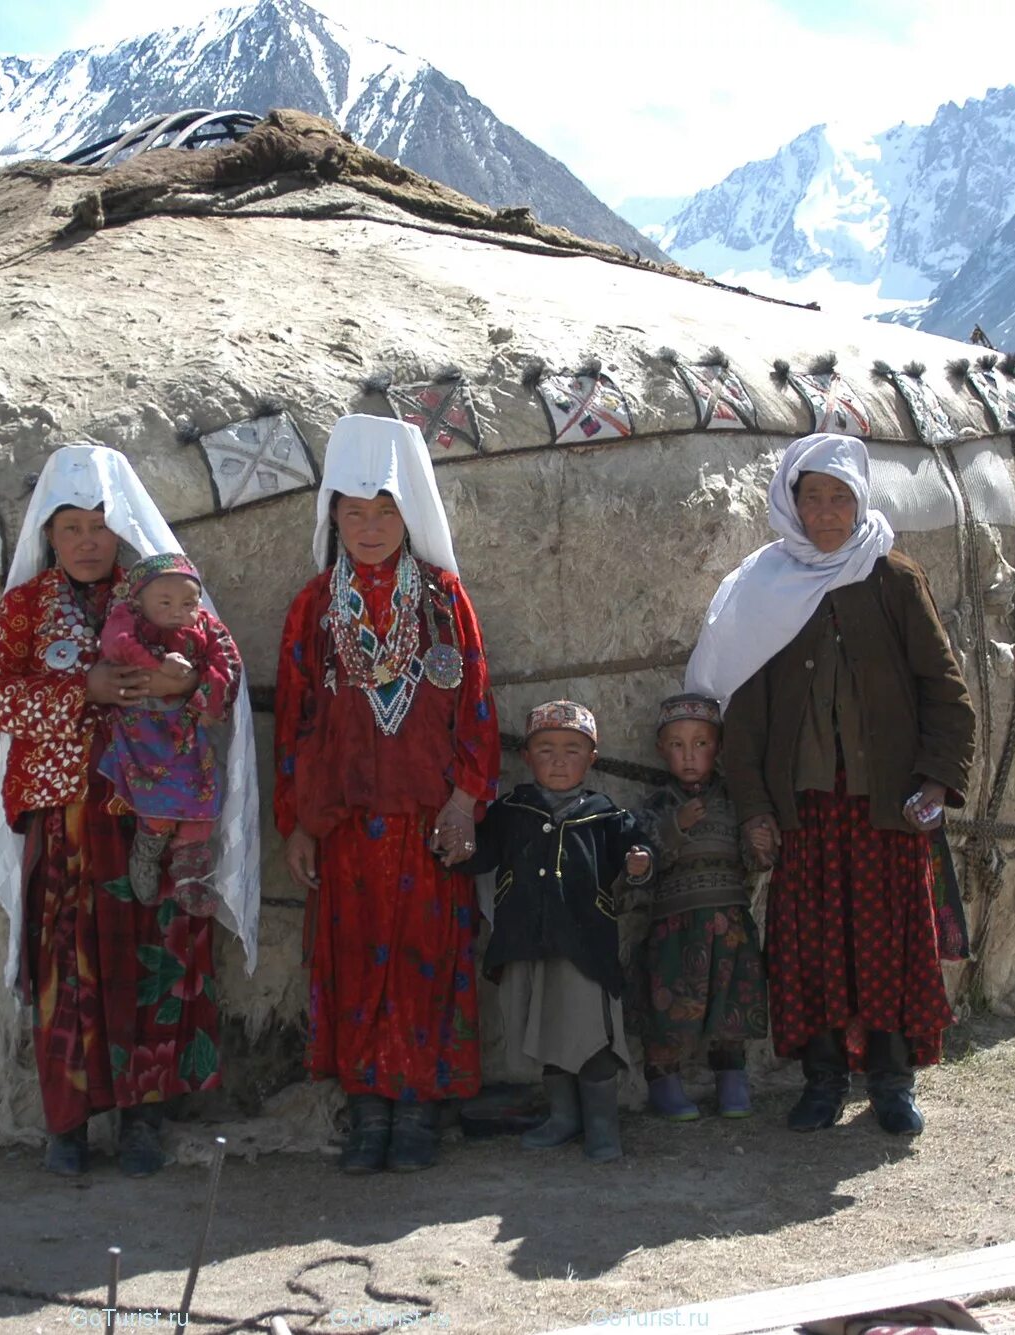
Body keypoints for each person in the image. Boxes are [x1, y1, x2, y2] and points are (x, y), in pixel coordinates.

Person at [0, 445, 260, 1178]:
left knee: (154, 953)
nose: (89, 540)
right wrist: (81, 691)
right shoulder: (25, 608)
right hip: (67, 816)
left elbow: (223, 677)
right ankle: (67, 1124)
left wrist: (190, 680)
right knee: (66, 968)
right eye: (72, 528)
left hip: (155, 814)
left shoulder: (164, 594)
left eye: (100, 524)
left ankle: (145, 1118)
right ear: (51, 537)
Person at [686, 433, 974, 1137]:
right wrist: (756, 808)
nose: (825, 511)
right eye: (811, 495)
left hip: (888, 807)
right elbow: (744, 716)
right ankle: (821, 1079)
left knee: (888, 944)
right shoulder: (764, 587)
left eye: (840, 495)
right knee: (809, 948)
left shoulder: (893, 577)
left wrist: (937, 779)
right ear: (790, 499)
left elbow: (945, 691)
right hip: (805, 810)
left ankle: (890, 1078)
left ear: (861, 498)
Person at [274, 414, 499, 1175]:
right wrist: (296, 824)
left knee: (424, 961)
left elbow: (475, 704)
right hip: (345, 825)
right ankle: (369, 1108)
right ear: (332, 514)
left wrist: (468, 800)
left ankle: (419, 1109)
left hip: (428, 821)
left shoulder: (442, 598)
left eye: (386, 511)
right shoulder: (313, 607)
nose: (369, 528)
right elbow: (296, 724)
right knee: (357, 966)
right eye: (354, 511)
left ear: (412, 513)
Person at [449, 701, 651, 1163]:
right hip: (526, 940)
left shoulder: (604, 816)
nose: (559, 760)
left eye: (572, 750)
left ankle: (603, 1124)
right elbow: (480, 856)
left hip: (583, 945)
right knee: (543, 1027)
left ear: (591, 758)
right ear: (527, 756)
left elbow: (636, 854)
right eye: (546, 750)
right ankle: (564, 1117)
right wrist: (454, 844)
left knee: (591, 1034)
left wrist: (640, 861)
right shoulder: (510, 811)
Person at [632, 692, 766, 1122]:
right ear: (660, 750)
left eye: (701, 744)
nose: (689, 756)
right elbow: (643, 859)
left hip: (730, 923)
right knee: (669, 1003)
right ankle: (664, 1084)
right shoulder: (656, 805)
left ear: (719, 747)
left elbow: (752, 860)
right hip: (676, 926)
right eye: (676, 745)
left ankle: (732, 1080)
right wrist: (677, 827)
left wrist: (761, 847)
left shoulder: (736, 802)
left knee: (733, 1003)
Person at [96, 552, 244, 914]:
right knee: (158, 801)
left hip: (188, 731)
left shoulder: (205, 628)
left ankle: (190, 870)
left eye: (189, 603)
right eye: (165, 602)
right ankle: (147, 851)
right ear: (139, 600)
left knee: (204, 799)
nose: (180, 611)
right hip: (145, 735)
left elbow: (227, 661)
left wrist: (208, 700)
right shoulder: (127, 622)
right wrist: (158, 664)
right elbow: (117, 645)